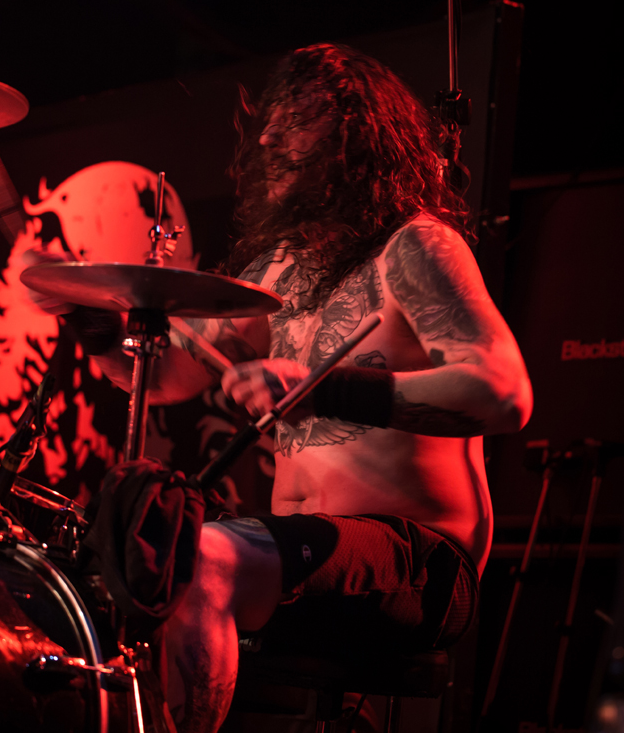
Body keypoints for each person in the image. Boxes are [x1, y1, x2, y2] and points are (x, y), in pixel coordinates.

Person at [29, 43, 532, 733]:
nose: (268, 137)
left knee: (201, 558)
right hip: (301, 558)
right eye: (271, 119)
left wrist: (328, 389)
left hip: (421, 563)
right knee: (146, 561)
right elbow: (171, 374)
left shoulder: (414, 247)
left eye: (297, 117)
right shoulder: (282, 271)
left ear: (356, 133)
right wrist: (95, 329)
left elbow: (505, 392)